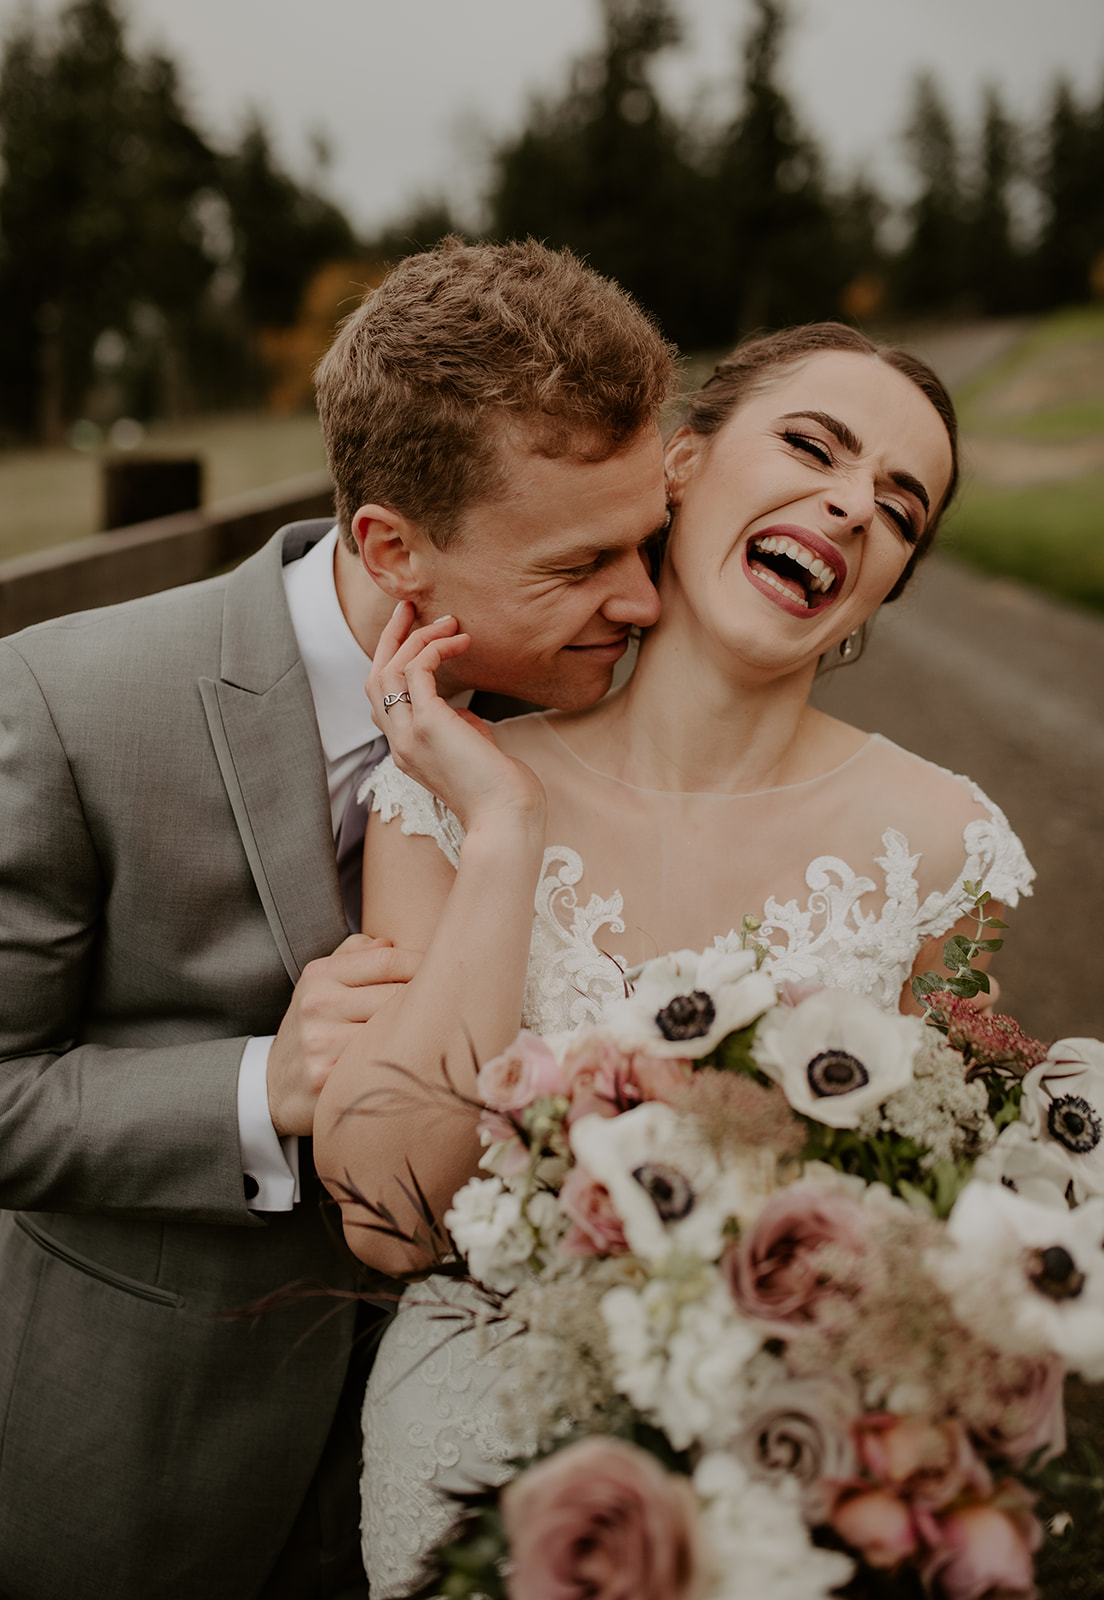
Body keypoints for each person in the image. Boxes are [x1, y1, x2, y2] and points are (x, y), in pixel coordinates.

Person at [309, 323, 1035, 1595]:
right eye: (814, 446)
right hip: (471, 1446)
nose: (854, 503)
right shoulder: (450, 793)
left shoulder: (947, 847)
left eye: (901, 508)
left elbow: (947, 1216)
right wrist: (505, 835)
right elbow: (390, 1216)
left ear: (885, 585)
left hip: (785, 1464)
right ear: (682, 469)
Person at [0, 238, 674, 1600]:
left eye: (652, 541)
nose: (646, 602)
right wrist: (260, 1089)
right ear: (389, 547)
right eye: (583, 561)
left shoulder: (624, 713)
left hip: (486, 1471)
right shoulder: (68, 703)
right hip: (151, 1470)